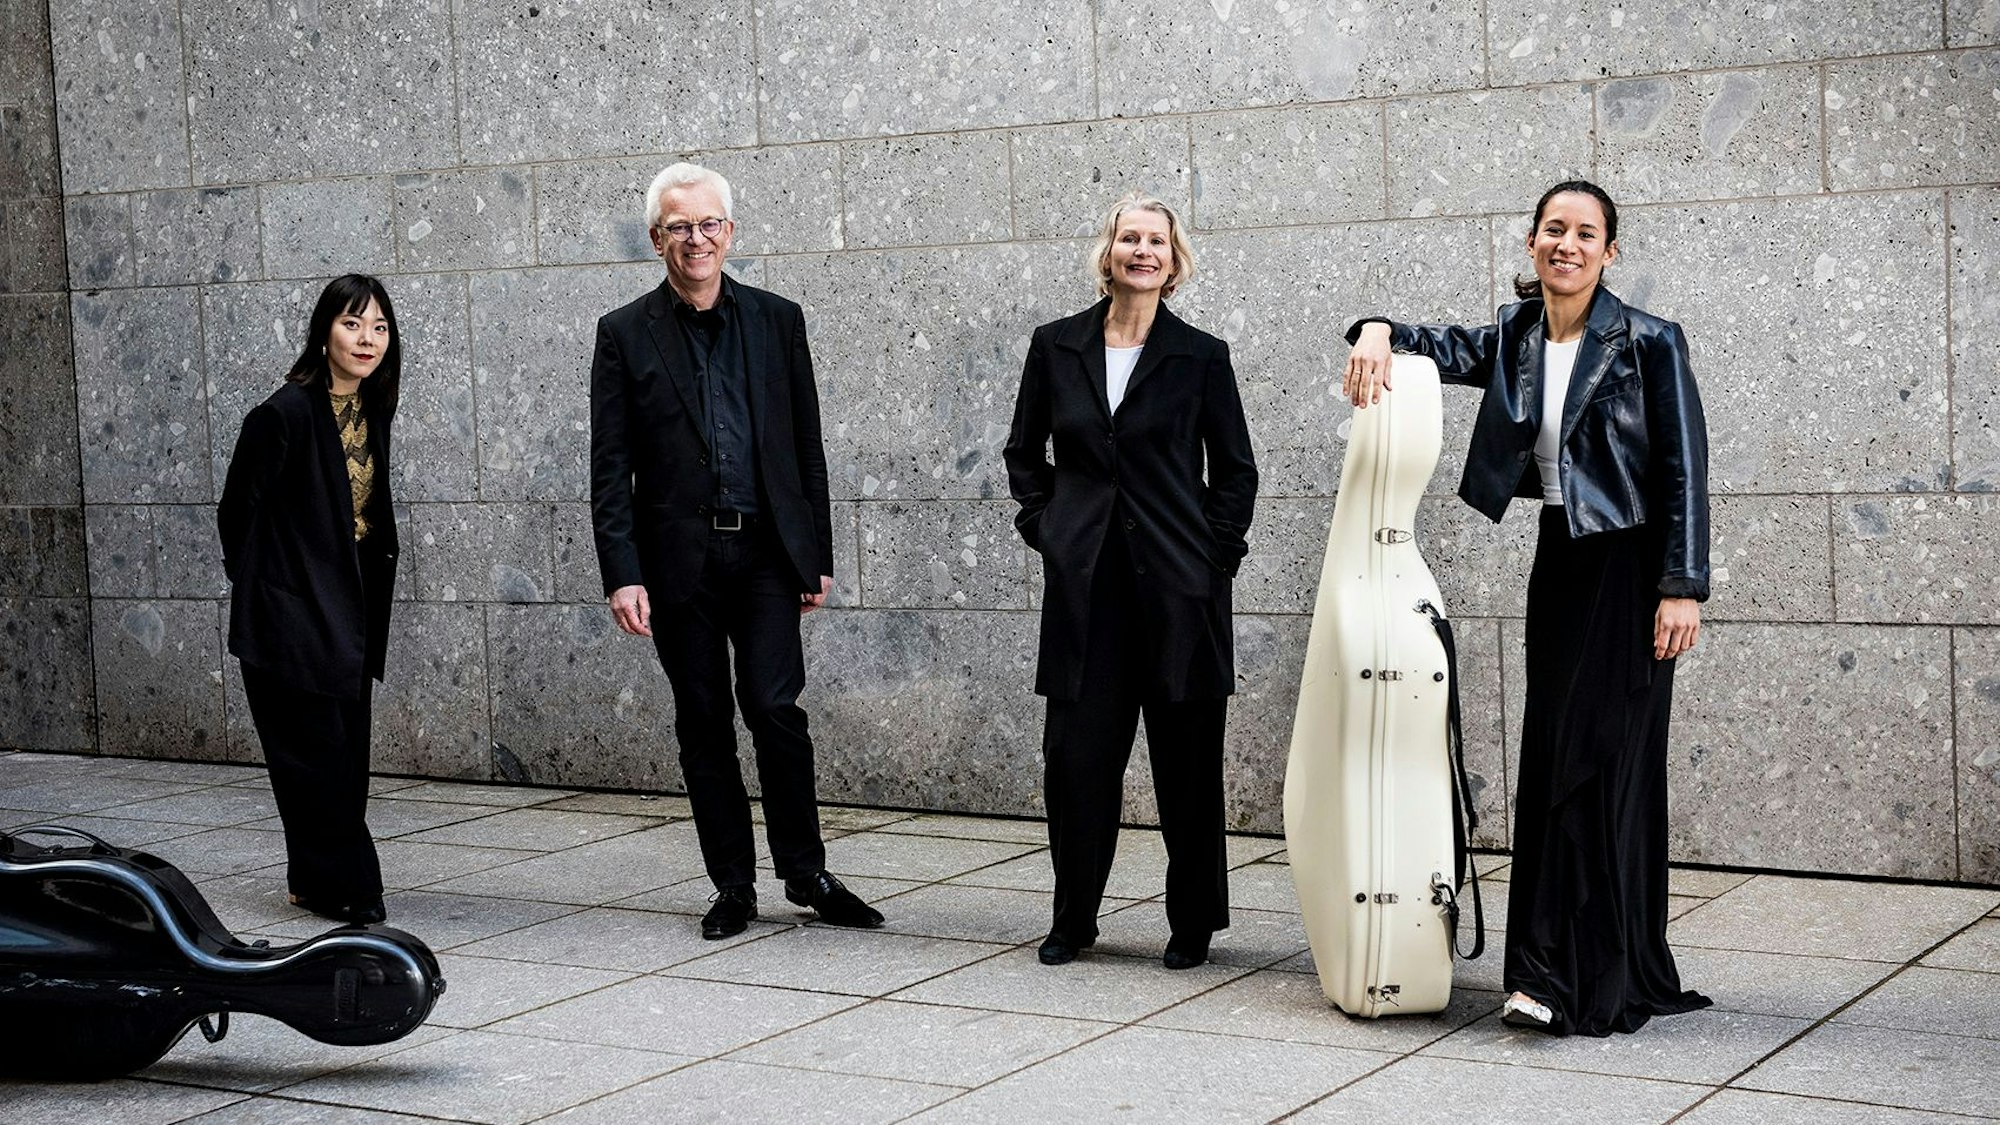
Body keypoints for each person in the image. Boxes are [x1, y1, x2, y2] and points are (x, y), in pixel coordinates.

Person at [1343, 180, 1712, 1036]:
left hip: (1631, 570)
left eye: (1586, 233)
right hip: (1561, 564)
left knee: (1602, 767)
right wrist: (1373, 328)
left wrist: (1683, 584)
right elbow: (1430, 344)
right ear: (1532, 242)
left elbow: (1684, 468)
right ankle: (1540, 970)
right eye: (1555, 230)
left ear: (1610, 252)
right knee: (1551, 763)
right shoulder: (1515, 336)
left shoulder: (1649, 341)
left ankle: (1583, 977)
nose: (1568, 244)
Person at [589, 162, 881, 939]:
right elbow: (609, 464)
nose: (697, 238)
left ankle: (806, 870)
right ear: (656, 239)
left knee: (775, 708)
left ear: (731, 232)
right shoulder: (622, 334)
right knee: (704, 718)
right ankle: (733, 883)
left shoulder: (778, 321)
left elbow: (805, 447)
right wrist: (623, 572)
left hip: (764, 557)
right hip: (676, 562)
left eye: (709, 223)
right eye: (680, 226)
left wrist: (813, 551)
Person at [1003, 194, 1258, 970]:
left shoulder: (1200, 356)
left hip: (1181, 593)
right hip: (1086, 593)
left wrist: (1213, 561)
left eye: (1156, 240)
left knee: (1186, 765)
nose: (1141, 250)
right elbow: (1024, 454)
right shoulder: (1056, 346)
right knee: (1076, 763)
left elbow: (1236, 472)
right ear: (1108, 251)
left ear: (1173, 262)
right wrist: (1049, 530)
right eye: (1128, 237)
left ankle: (1192, 925)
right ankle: (1074, 917)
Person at [218, 274, 403, 926]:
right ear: (324, 330)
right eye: (353, 323)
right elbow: (236, 514)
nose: (367, 338)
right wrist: (275, 590)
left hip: (347, 617)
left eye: (379, 326)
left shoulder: (369, 409)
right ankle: (354, 889)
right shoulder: (284, 414)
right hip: (291, 620)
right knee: (318, 759)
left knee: (342, 759)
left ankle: (309, 879)